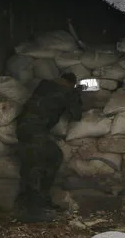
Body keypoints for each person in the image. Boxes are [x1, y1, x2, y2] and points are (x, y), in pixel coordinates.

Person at [16, 72, 81, 221]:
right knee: (42, 162)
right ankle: (35, 209)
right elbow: (76, 115)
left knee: (48, 158)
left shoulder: (44, 85)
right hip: (34, 132)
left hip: (25, 128)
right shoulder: (66, 92)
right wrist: (76, 94)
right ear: (70, 83)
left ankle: (39, 202)